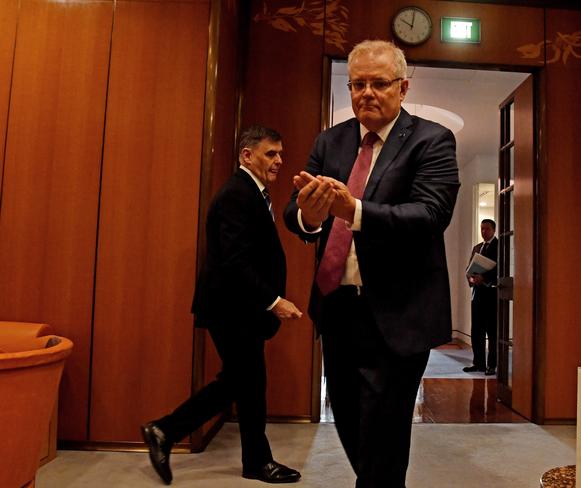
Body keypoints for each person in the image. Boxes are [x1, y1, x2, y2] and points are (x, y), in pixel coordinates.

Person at [284, 40, 460, 488]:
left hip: (399, 312)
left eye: (378, 83)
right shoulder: (332, 139)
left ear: (402, 87)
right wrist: (311, 214)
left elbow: (430, 215)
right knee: (348, 419)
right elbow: (296, 212)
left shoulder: (432, 139)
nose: (367, 93)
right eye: (357, 84)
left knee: (385, 430)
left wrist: (353, 211)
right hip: (338, 307)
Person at [141, 125, 302, 485]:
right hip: (232, 309)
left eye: (280, 153)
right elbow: (234, 260)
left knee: (240, 382)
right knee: (248, 382)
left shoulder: (252, 193)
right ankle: (170, 431)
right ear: (247, 155)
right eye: (270, 154)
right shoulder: (237, 194)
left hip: (240, 309)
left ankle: (168, 431)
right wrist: (274, 300)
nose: (279, 160)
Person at [463, 218, 498, 376]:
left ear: (493, 230)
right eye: (482, 229)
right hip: (477, 295)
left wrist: (485, 279)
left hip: (492, 295)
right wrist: (471, 278)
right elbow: (469, 269)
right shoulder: (477, 247)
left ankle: (492, 365)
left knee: (492, 332)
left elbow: (501, 270)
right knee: (476, 331)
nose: (484, 232)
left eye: (487, 229)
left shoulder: (499, 246)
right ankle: (478, 363)